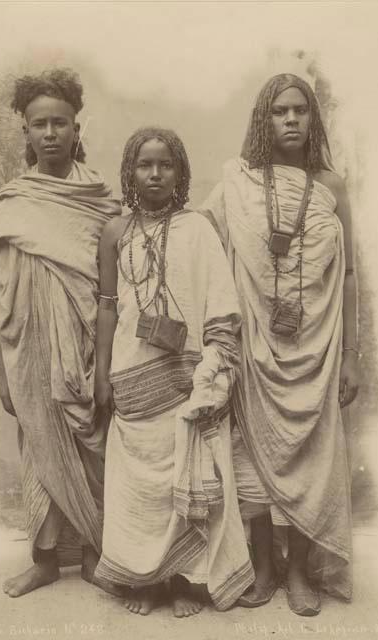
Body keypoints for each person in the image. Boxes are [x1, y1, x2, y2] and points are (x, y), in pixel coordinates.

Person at [199, 73, 359, 616]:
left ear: (313, 119)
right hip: (253, 346)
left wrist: (351, 356)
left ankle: (299, 572)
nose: (291, 120)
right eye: (278, 111)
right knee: (252, 457)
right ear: (262, 120)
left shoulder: (332, 186)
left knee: (313, 459)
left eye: (300, 111)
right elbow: (199, 237)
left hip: (316, 347)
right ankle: (264, 565)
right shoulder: (238, 182)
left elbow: (351, 274)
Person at [93, 127, 255, 617]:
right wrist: (101, 374)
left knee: (187, 476)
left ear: (180, 172)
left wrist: (211, 367)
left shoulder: (198, 228)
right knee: (140, 484)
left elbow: (221, 304)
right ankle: (145, 580)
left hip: (188, 380)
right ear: (130, 171)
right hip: (133, 375)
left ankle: (185, 581)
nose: (156, 173)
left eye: (166, 165)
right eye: (145, 164)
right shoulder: (115, 232)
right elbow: (105, 307)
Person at [0, 68, 121, 597]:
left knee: (90, 440)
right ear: (27, 134)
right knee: (38, 445)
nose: (51, 133)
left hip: (84, 342)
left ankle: (90, 553)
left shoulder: (100, 199)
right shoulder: (13, 202)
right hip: (28, 344)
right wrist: (1, 369)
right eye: (41, 124)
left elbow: (113, 283)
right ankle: (41, 559)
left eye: (61, 123)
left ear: (77, 128)